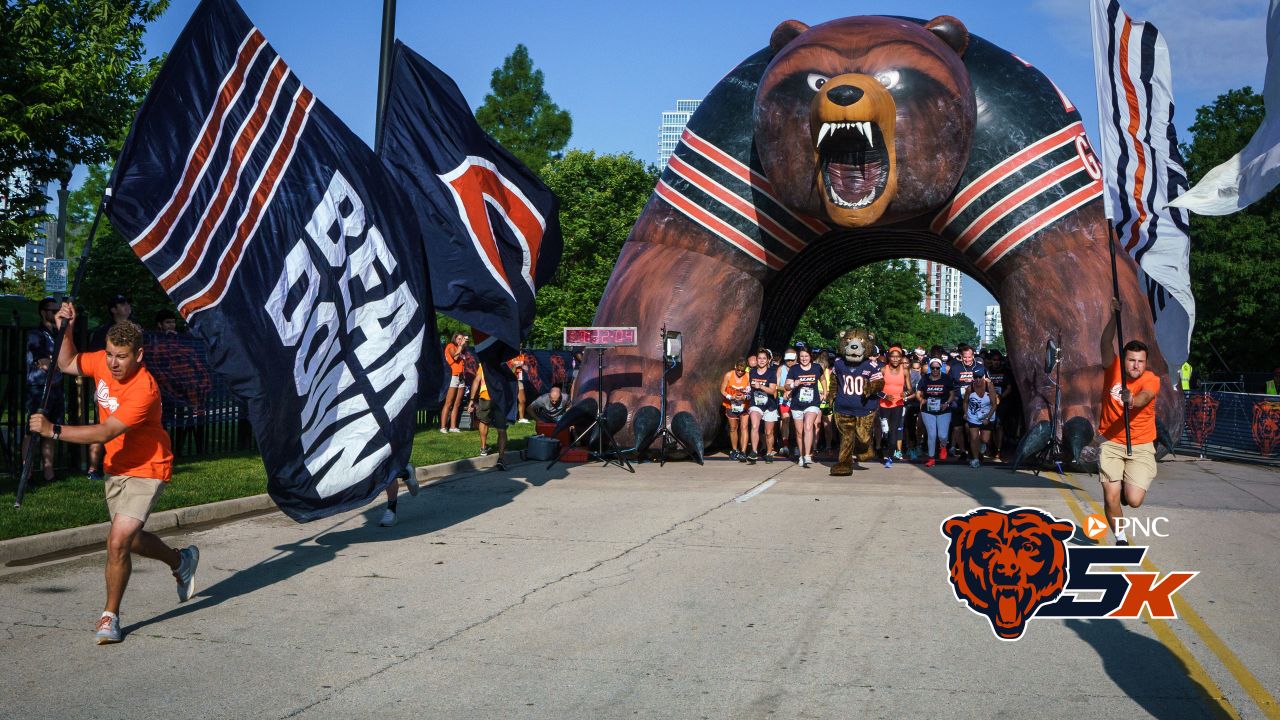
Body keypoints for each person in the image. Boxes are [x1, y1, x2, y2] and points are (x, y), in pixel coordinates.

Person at [28, 303, 196, 644]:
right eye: (109, 354)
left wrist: (54, 430)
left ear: (138, 355)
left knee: (117, 540)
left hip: (148, 467)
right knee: (131, 540)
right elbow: (67, 362)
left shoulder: (144, 389)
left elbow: (105, 432)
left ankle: (109, 617)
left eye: (121, 356)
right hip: (116, 467)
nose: (113, 363)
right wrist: (67, 328)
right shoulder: (104, 364)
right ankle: (181, 561)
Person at [1098, 330, 1161, 546]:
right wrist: (1113, 318)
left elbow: (1145, 397)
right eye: (1132, 360)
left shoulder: (1151, 379)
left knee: (1134, 500)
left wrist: (1132, 399)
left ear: (1146, 363)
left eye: (1140, 361)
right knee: (1110, 496)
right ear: (1124, 360)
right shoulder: (1112, 368)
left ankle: (1128, 486)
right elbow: (1106, 341)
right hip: (1111, 443)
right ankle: (1120, 537)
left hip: (1141, 446)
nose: (1136, 365)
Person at [85, 294, 135, 480]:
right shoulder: (103, 332)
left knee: (127, 427)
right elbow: (95, 361)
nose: (127, 306)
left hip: (130, 386)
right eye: (122, 303)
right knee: (103, 426)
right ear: (113, 309)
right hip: (108, 386)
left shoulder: (136, 330)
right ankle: (93, 467)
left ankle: (123, 464)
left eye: (127, 302)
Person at [24, 297, 63, 483]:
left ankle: (49, 472)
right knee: (32, 430)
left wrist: (56, 363)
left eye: (58, 310)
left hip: (55, 386)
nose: (56, 313)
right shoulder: (36, 334)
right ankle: (27, 471)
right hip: (39, 387)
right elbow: (44, 362)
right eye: (52, 310)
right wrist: (57, 363)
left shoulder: (57, 334)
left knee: (52, 429)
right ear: (43, 312)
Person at [947, 344, 986, 462]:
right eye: (965, 357)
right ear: (961, 356)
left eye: (970, 357)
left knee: (971, 429)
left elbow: (987, 383)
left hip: (974, 402)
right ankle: (963, 452)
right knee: (958, 429)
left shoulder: (980, 367)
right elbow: (949, 385)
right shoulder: (955, 368)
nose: (967, 360)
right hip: (958, 401)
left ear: (973, 355)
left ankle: (974, 451)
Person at [916, 358, 956, 468]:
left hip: (943, 410)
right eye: (932, 368)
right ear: (930, 368)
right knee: (932, 435)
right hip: (928, 410)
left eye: (937, 368)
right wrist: (921, 400)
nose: (935, 370)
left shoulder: (946, 378)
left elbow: (952, 394)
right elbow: (918, 393)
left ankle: (943, 446)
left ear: (940, 368)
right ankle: (931, 458)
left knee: (942, 435)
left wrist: (947, 403)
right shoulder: (925, 379)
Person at [788, 348, 824, 467]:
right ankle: (802, 455)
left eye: (806, 356)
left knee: (808, 426)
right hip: (797, 404)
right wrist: (794, 384)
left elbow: (822, 379)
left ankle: (808, 455)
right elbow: (786, 386)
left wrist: (825, 391)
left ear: (810, 357)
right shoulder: (794, 369)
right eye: (802, 356)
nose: (804, 358)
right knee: (799, 432)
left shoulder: (817, 367)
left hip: (812, 403)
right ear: (799, 358)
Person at [468, 363, 508, 471]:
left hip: (485, 396)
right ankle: (501, 458)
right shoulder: (504, 364)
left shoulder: (484, 364)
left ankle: (483, 448)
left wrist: (471, 400)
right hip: (500, 398)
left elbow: (477, 380)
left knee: (484, 422)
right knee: (501, 429)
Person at [746, 348, 781, 464]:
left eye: (764, 359)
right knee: (755, 426)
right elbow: (748, 387)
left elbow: (772, 390)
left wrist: (760, 386)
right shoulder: (752, 372)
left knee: (768, 432)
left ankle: (769, 452)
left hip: (769, 405)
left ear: (768, 360)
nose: (761, 361)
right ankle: (754, 452)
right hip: (755, 404)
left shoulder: (771, 373)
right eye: (759, 358)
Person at [878, 346, 911, 467]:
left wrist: (905, 393)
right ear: (889, 357)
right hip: (883, 405)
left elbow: (910, 389)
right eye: (893, 356)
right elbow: (874, 389)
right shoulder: (882, 370)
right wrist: (884, 396)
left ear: (901, 358)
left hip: (898, 405)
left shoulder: (905, 370)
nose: (895, 359)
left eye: (898, 357)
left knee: (893, 432)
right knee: (885, 432)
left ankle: (890, 458)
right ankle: (883, 449)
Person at [720, 358, 752, 461]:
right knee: (733, 428)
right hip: (731, 405)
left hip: (744, 405)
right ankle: (734, 450)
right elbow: (722, 390)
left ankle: (743, 451)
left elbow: (752, 391)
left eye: (742, 371)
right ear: (735, 367)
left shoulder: (748, 376)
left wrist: (745, 397)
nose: (740, 372)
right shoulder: (729, 375)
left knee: (744, 427)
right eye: (738, 370)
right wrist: (730, 397)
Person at [963, 376, 999, 467]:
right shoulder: (969, 388)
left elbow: (994, 404)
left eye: (980, 377)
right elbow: (965, 402)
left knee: (984, 439)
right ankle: (975, 459)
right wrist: (965, 413)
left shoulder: (989, 386)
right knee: (974, 438)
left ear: (983, 377)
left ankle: (982, 444)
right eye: (976, 377)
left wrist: (988, 418)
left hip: (987, 414)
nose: (978, 379)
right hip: (973, 415)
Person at [440, 333, 468, 433]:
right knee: (449, 403)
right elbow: (455, 357)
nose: (461, 341)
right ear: (454, 339)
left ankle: (453, 426)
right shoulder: (450, 346)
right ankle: (443, 427)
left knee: (457, 403)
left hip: (461, 377)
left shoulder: (461, 349)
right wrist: (461, 346)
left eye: (462, 339)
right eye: (459, 339)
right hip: (453, 376)